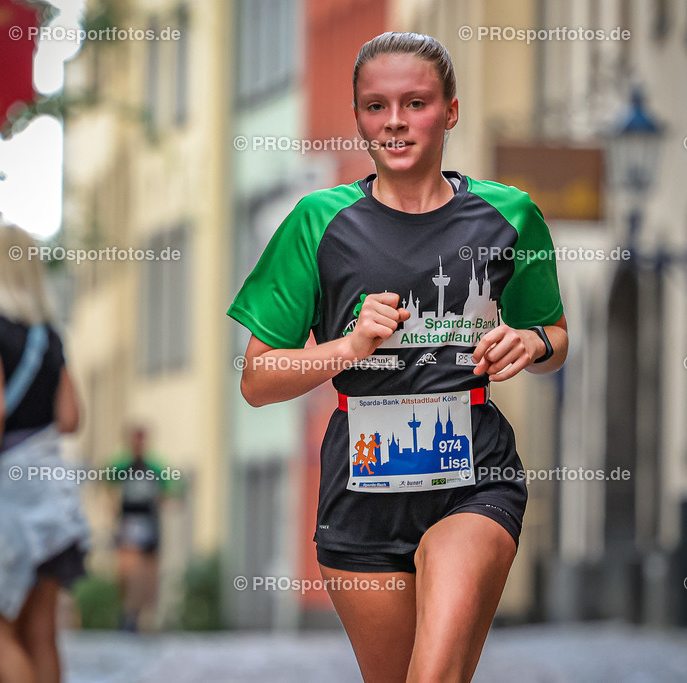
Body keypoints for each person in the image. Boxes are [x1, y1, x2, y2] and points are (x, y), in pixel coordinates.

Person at [228, 32, 568, 682]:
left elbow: (554, 333)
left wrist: (531, 342)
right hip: (361, 494)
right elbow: (257, 378)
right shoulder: (317, 222)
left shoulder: (509, 215)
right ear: (358, 115)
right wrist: (347, 346)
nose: (394, 122)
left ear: (451, 110)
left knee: (433, 672)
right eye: (376, 106)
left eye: (415, 103)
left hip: (475, 473)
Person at [0, 219, 86, 683]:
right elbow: (70, 418)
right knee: (39, 632)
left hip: (5, 499)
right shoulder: (48, 335)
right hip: (54, 497)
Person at [109, 427, 171, 632]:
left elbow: (172, 490)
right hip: (128, 523)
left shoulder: (155, 467)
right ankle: (129, 611)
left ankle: (139, 615)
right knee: (128, 570)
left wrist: (160, 502)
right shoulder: (121, 465)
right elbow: (106, 484)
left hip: (148, 524)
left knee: (147, 573)